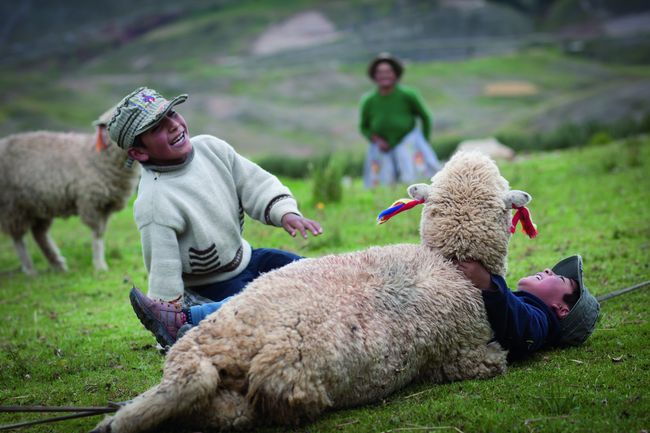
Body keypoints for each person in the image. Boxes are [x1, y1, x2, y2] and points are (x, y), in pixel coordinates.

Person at [106, 87, 323, 348]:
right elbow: (163, 266)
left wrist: (285, 212)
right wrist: (166, 312)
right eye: (157, 128)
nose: (174, 126)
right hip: (211, 286)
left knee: (312, 273)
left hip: (248, 258)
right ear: (139, 153)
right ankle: (185, 319)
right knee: (259, 304)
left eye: (172, 114)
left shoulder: (212, 148)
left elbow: (255, 183)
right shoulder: (155, 202)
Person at [457, 255, 600, 360]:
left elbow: (523, 324)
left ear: (562, 309)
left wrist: (489, 284)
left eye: (560, 278)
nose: (548, 270)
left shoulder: (540, 324)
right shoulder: (520, 302)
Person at [359, 53, 442, 188]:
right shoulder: (369, 101)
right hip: (382, 146)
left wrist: (424, 141)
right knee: (383, 181)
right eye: (380, 72)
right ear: (374, 76)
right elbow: (363, 127)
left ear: (395, 74)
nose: (384, 75)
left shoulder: (408, 95)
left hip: (407, 141)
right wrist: (377, 140)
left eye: (388, 71)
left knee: (412, 178)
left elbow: (425, 117)